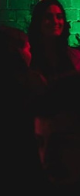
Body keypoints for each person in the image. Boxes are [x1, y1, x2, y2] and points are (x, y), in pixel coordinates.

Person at [0, 24, 47, 190]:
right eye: (28, 49)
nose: (31, 54)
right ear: (18, 52)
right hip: (27, 151)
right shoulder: (32, 81)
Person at [27, 0, 80, 81]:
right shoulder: (27, 57)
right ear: (38, 21)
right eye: (48, 17)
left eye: (59, 17)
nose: (55, 21)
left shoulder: (77, 59)